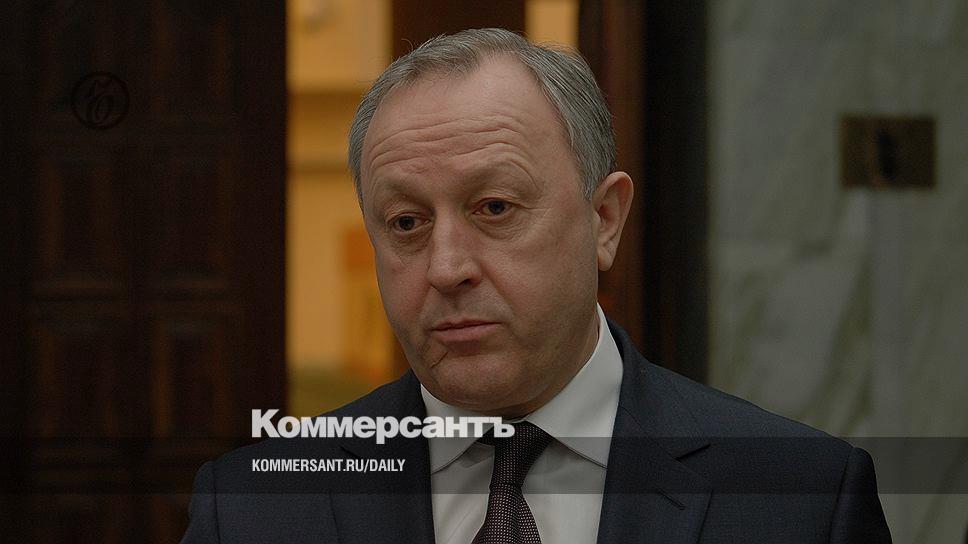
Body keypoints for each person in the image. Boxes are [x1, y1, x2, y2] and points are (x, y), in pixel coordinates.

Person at [182, 28, 891, 543]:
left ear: (604, 219)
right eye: (406, 223)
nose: (446, 267)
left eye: (495, 208)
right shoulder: (254, 508)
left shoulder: (798, 498)